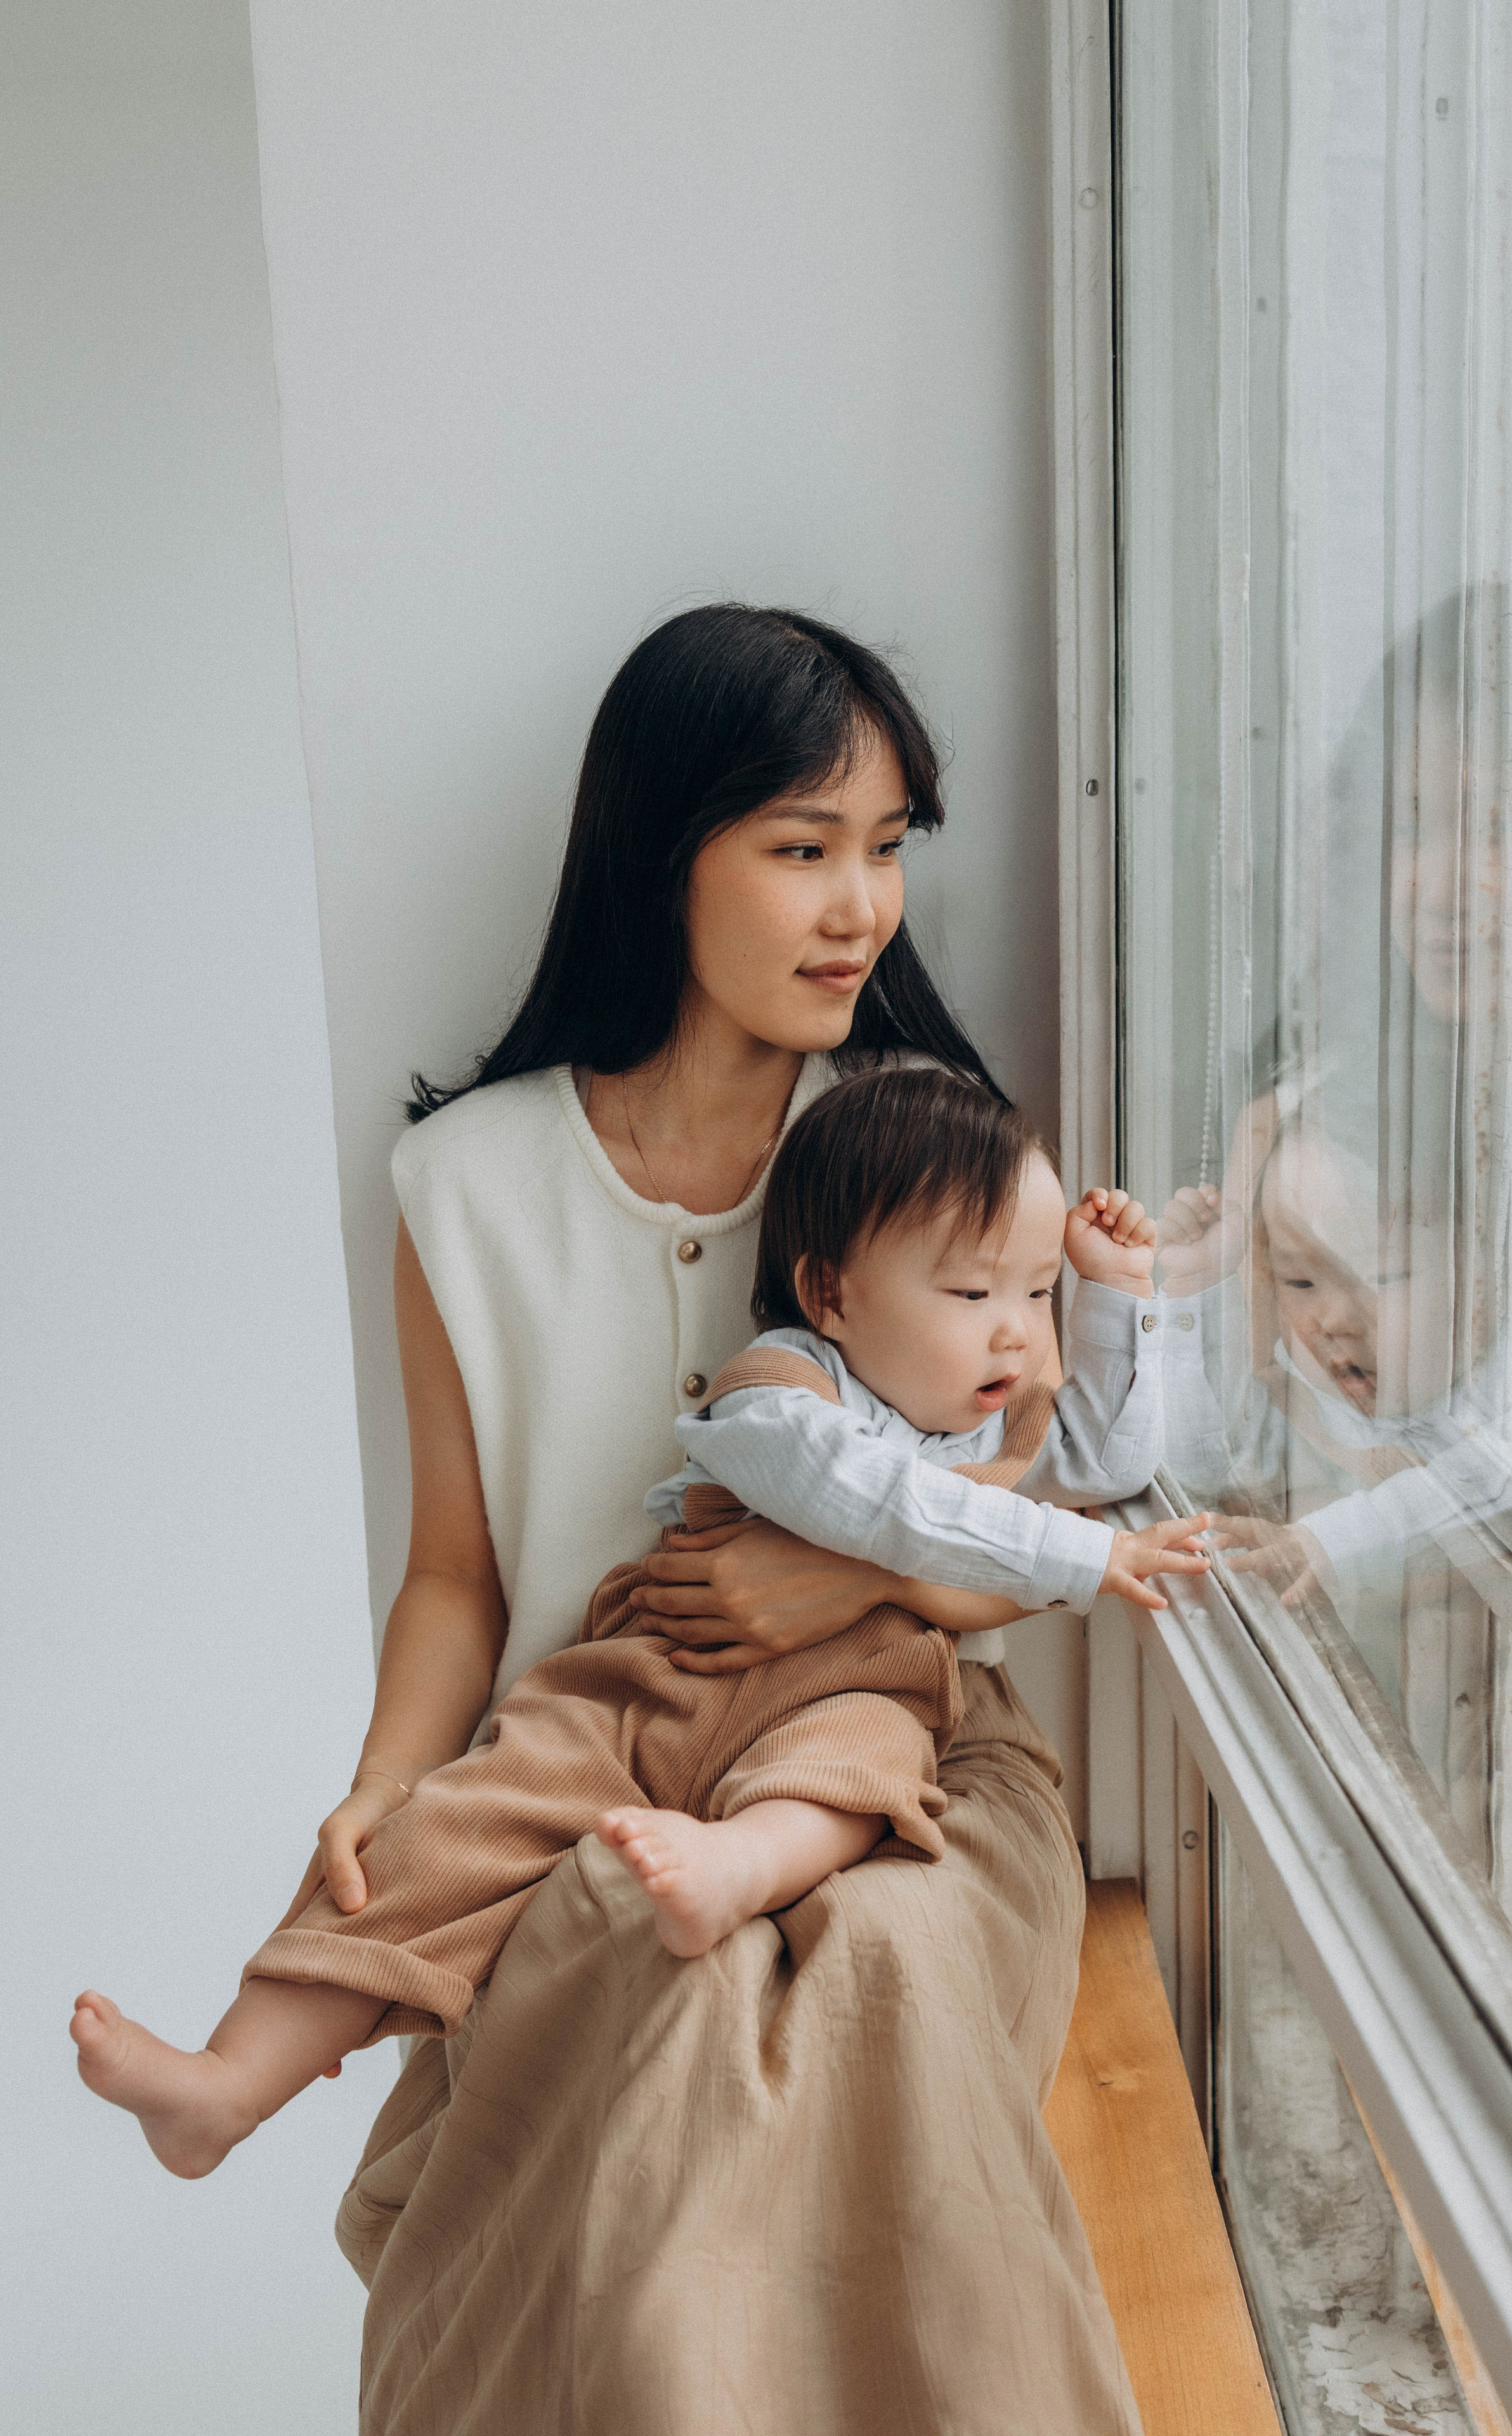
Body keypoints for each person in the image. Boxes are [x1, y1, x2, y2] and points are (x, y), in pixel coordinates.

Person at [84, 605, 1159, 2435]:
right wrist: (378, 1782)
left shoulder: (933, 1155)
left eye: (888, 847)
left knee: (862, 1976)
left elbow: (1016, 1536)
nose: (861, 907)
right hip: (593, 1744)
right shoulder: (465, 1185)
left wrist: (816, 1571)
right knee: (627, 1960)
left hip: (892, 1754)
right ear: (667, 856)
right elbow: (452, 1574)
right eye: (803, 848)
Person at [72, 1068, 1210, 2175]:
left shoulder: (987, 1424)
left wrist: (1114, 1292)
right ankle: (227, 2083)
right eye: (973, 1296)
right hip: (656, 1682)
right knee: (452, 1832)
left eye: (1032, 1294)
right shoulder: (777, 1395)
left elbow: (1108, 1458)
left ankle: (735, 1864)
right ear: (832, 1294)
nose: (1016, 1334)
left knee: (856, 1776)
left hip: (850, 1686)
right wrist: (1096, 1557)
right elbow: (893, 1514)